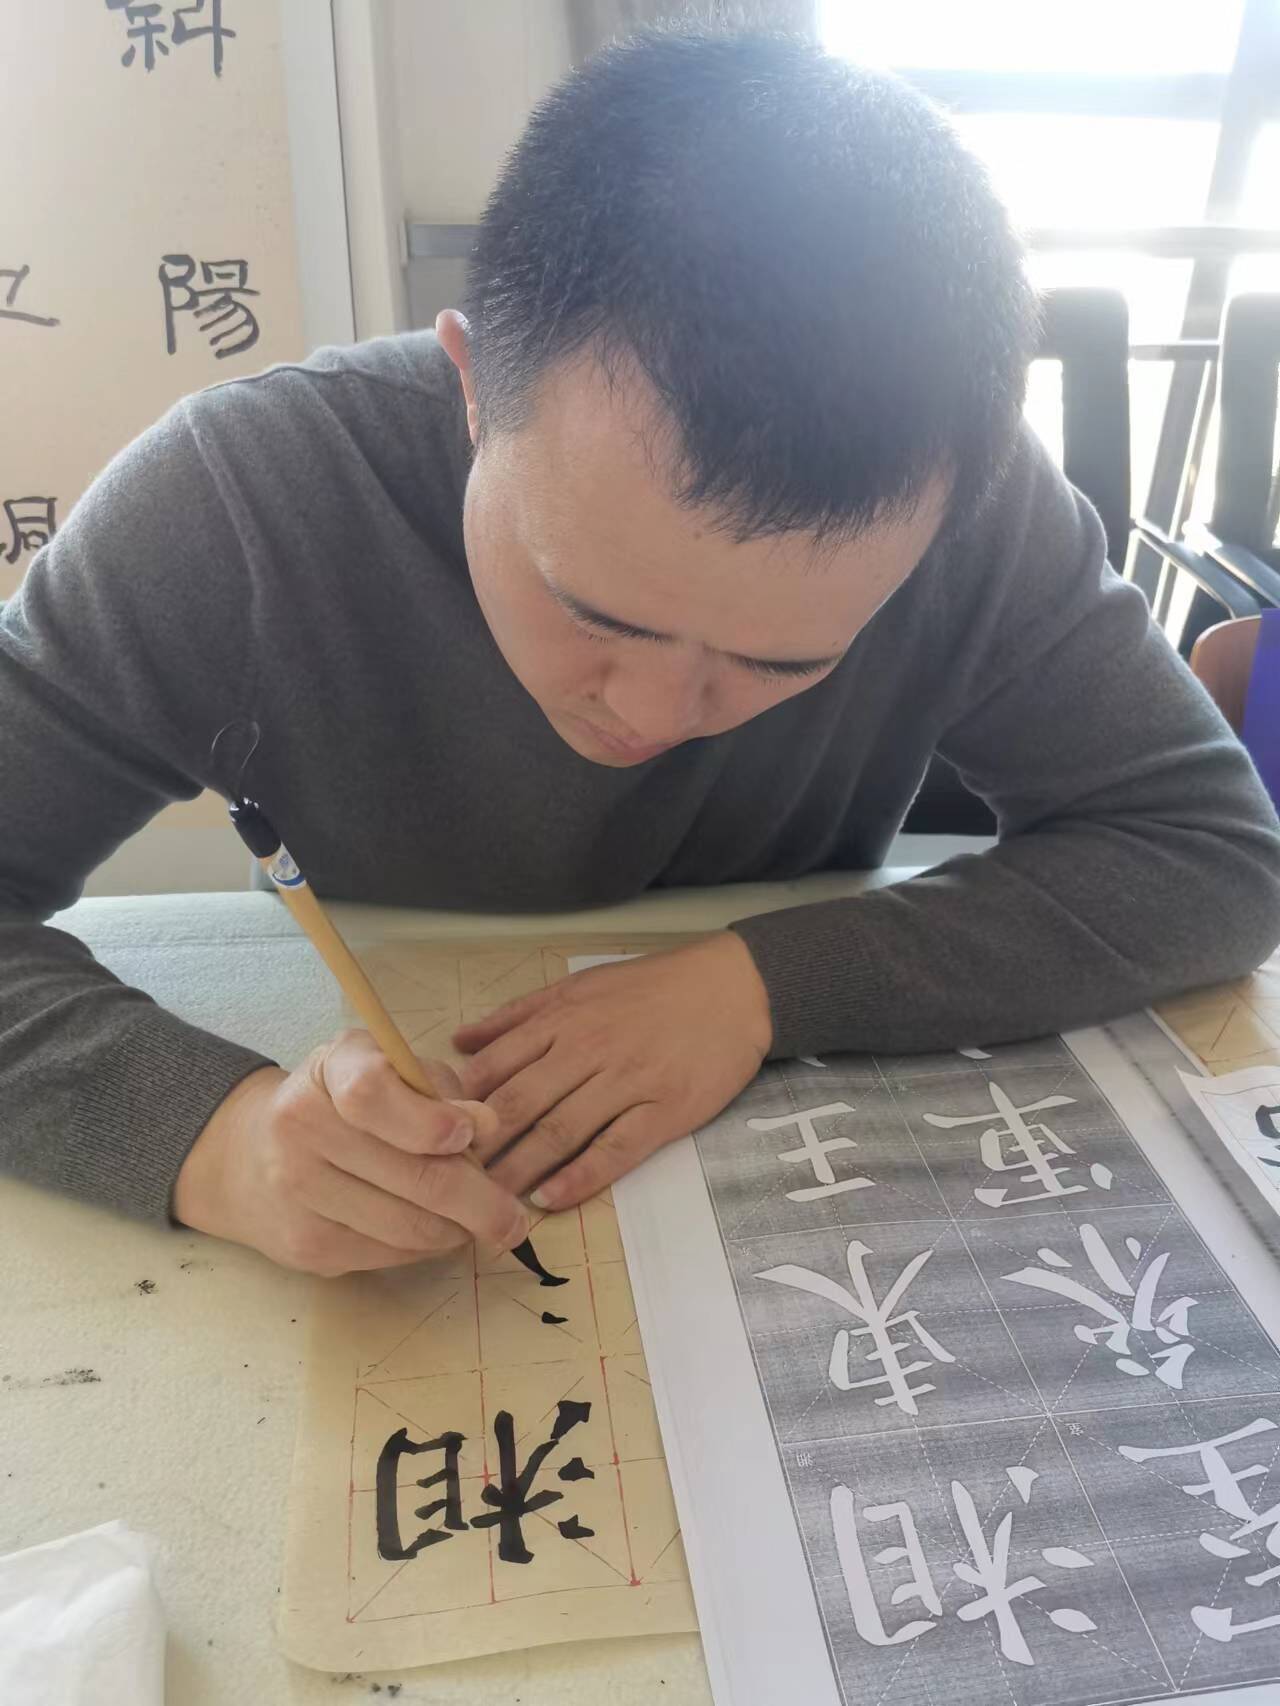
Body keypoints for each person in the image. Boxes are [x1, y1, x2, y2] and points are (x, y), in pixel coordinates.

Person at [2, 29, 1277, 1277]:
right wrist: (215, 1138)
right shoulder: (238, 504)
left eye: (781, 663)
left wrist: (766, 986)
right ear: (472, 386)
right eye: (598, 613)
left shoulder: (971, 515)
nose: (658, 713)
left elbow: (1211, 852)